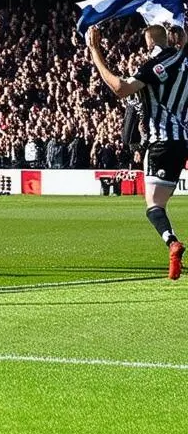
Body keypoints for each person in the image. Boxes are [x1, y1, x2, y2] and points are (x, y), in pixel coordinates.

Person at [86, 23, 186, 279]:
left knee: (154, 205)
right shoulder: (183, 59)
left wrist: (96, 51)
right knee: (162, 200)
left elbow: (120, 88)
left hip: (160, 140)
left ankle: (172, 242)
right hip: (181, 140)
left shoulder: (155, 66)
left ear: (149, 43)